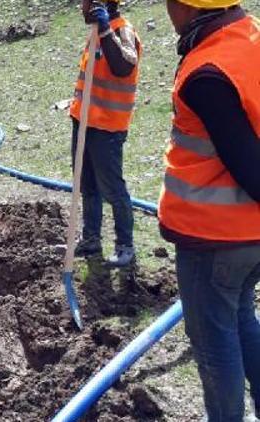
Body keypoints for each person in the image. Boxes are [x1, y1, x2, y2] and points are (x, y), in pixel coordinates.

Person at [159, 0, 260, 420]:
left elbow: (250, 168)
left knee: (215, 345)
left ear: (187, 7)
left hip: (215, 239)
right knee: (241, 320)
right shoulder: (249, 36)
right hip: (249, 237)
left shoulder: (207, 73)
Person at [71, 0, 142, 267]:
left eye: (85, 2)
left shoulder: (122, 31)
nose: (82, 7)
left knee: (112, 188)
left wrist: (105, 29)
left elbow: (124, 66)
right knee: (87, 184)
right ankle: (91, 239)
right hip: (84, 121)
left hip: (107, 127)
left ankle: (125, 245)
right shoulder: (95, 34)